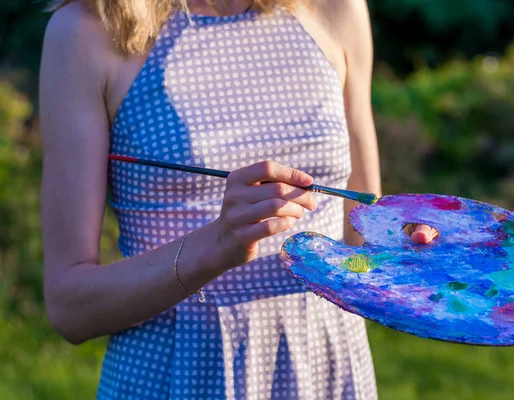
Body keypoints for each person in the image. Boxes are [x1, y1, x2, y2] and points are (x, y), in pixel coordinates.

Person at [39, 0, 438, 398]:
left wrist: (420, 254)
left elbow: (362, 244)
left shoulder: (335, 9)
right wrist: (215, 246)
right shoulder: (88, 30)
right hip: (177, 375)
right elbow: (70, 308)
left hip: (326, 369)